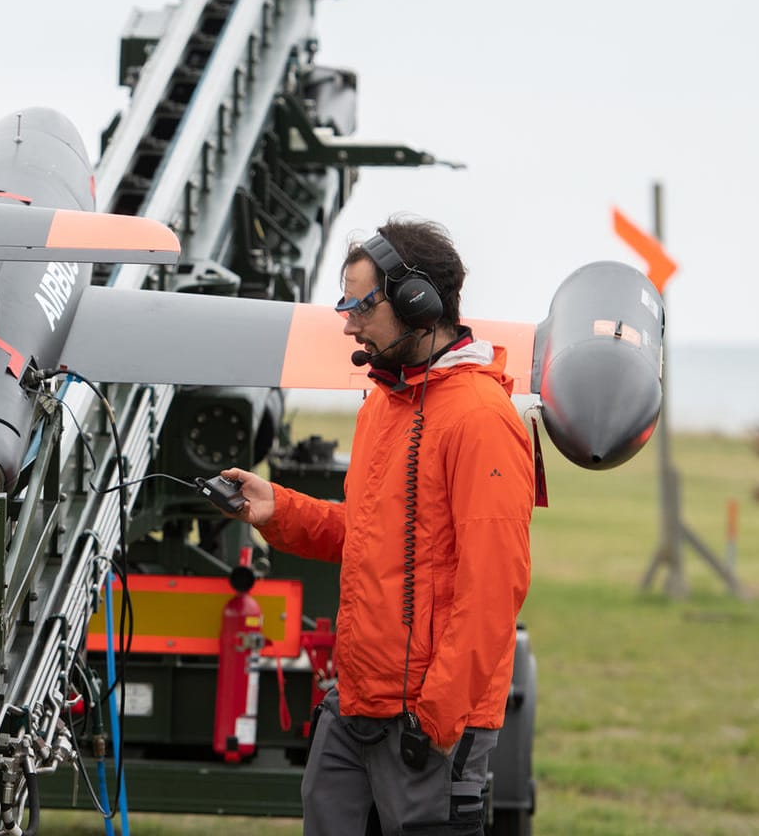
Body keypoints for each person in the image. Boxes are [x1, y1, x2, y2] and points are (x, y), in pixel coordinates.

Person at [220, 219, 534, 836]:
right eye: (345, 304)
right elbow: (367, 533)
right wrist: (276, 509)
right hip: (357, 704)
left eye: (361, 304)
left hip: (428, 724)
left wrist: (436, 720)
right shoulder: (385, 406)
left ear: (419, 303)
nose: (347, 324)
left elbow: (493, 588)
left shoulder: (480, 419)